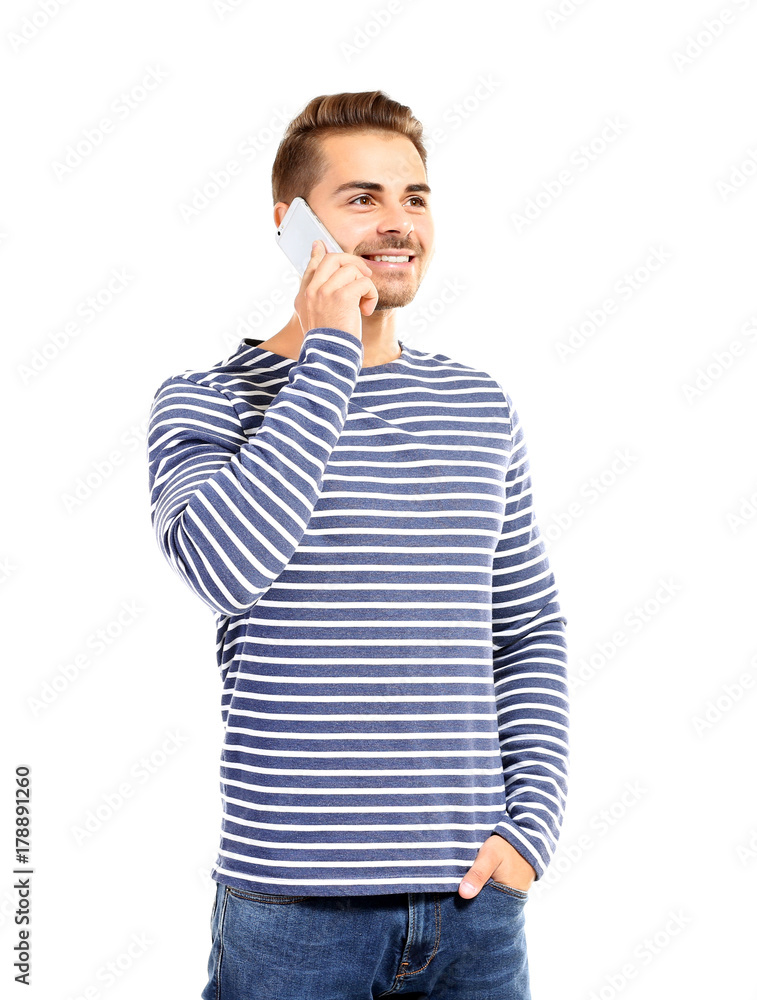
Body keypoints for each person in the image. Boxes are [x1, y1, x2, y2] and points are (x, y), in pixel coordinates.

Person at [146, 90, 569, 1000]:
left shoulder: (478, 407)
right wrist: (330, 352)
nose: (398, 224)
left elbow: (526, 628)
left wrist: (528, 829)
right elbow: (227, 566)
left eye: (415, 198)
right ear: (291, 227)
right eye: (362, 199)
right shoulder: (205, 402)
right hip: (291, 916)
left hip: (471, 909)